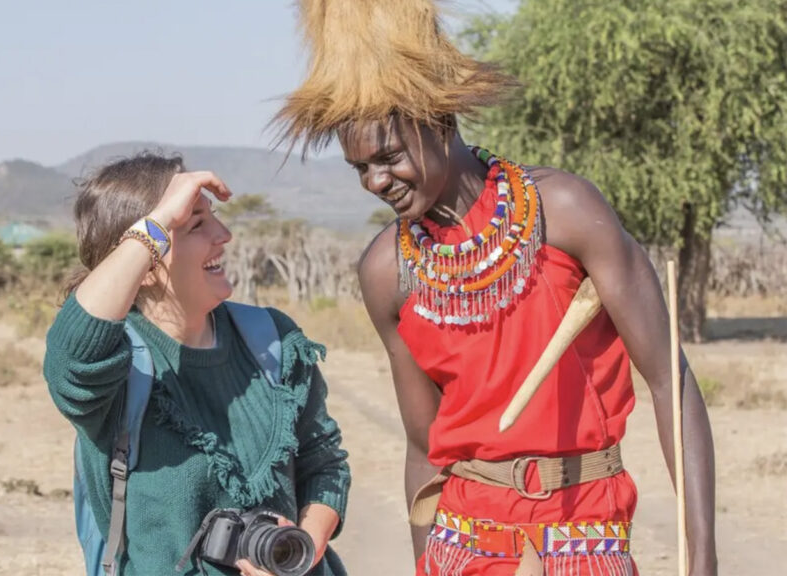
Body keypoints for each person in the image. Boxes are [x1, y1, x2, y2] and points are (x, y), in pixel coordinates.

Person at [270, 1, 717, 575]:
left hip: (585, 527)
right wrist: (424, 563)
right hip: (463, 542)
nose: (376, 182)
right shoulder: (386, 269)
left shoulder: (567, 210)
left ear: (440, 122)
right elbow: (421, 446)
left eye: (388, 157)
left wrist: (701, 559)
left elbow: (668, 382)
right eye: (360, 168)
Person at [42, 152, 351, 576]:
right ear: (146, 264)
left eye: (215, 218)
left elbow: (324, 462)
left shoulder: (272, 338)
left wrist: (298, 549)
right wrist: (159, 220)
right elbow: (72, 353)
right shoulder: (116, 370)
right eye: (196, 225)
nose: (223, 235)